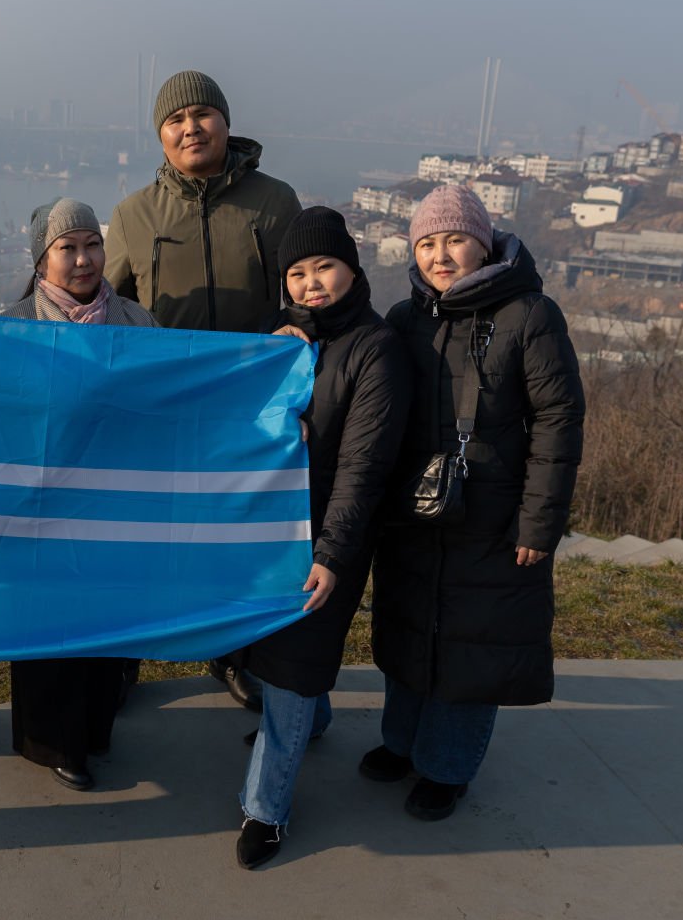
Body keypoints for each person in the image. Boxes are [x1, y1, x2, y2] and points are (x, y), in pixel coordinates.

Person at [366, 185, 585, 822]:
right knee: (410, 626)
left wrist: (539, 523)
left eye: (455, 240)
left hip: (493, 516)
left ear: (483, 244)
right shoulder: (406, 318)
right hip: (415, 509)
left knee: (474, 641)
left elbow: (558, 421)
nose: (440, 255)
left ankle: (447, 767)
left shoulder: (529, 314)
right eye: (427, 243)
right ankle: (402, 742)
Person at [104, 69, 302, 712]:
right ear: (160, 136)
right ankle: (129, 653)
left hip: (250, 406)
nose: (191, 128)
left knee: (237, 536)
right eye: (175, 120)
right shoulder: (134, 214)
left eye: (202, 115)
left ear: (225, 122)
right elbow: (108, 310)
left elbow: (303, 291)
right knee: (149, 533)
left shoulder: (276, 203)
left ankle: (234, 653)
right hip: (163, 409)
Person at [229, 208, 409, 869]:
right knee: (280, 655)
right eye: (298, 273)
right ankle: (316, 719)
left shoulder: (376, 348)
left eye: (324, 267)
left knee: (294, 667)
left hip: (330, 534)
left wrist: (332, 555)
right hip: (272, 529)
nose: (311, 283)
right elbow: (244, 424)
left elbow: (364, 466)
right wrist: (275, 378)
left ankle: (265, 809)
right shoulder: (282, 339)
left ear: (352, 270)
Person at [3, 198, 155, 790]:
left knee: (102, 618)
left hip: (113, 504)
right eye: (67, 248)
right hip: (41, 505)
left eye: (93, 244)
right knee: (46, 625)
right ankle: (53, 741)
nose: (84, 259)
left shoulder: (138, 323)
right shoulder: (16, 325)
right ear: (42, 259)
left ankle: (93, 729)